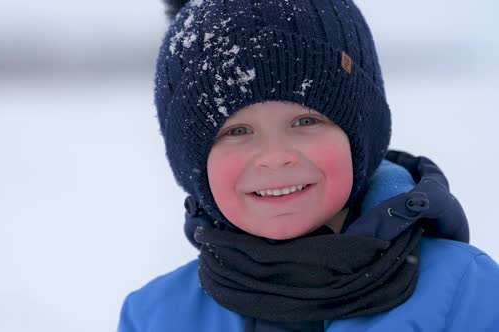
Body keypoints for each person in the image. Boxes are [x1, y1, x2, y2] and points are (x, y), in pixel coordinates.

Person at [118, 0, 499, 330]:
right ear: (191, 166)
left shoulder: (466, 290)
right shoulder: (155, 316)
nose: (274, 156)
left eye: (305, 122)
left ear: (361, 136)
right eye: (237, 131)